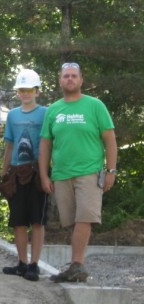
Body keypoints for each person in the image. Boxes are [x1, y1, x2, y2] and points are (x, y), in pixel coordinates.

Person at [39, 62, 117, 283]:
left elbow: (110, 139)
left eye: (74, 76)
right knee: (71, 221)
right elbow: (45, 145)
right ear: (60, 80)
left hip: (89, 172)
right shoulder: (53, 109)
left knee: (85, 217)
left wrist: (111, 169)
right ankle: (75, 265)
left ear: (81, 80)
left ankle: (77, 264)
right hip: (61, 174)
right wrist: (45, 175)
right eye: (66, 76)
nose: (70, 79)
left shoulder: (95, 106)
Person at [0, 69, 48, 282]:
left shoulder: (45, 113)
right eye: (22, 90)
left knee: (37, 220)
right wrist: (3, 170)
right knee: (18, 220)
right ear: (18, 93)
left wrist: (46, 171)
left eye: (29, 90)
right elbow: (9, 144)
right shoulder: (12, 115)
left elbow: (49, 142)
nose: (26, 94)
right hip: (17, 171)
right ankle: (22, 262)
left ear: (37, 91)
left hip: (37, 171)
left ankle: (34, 264)